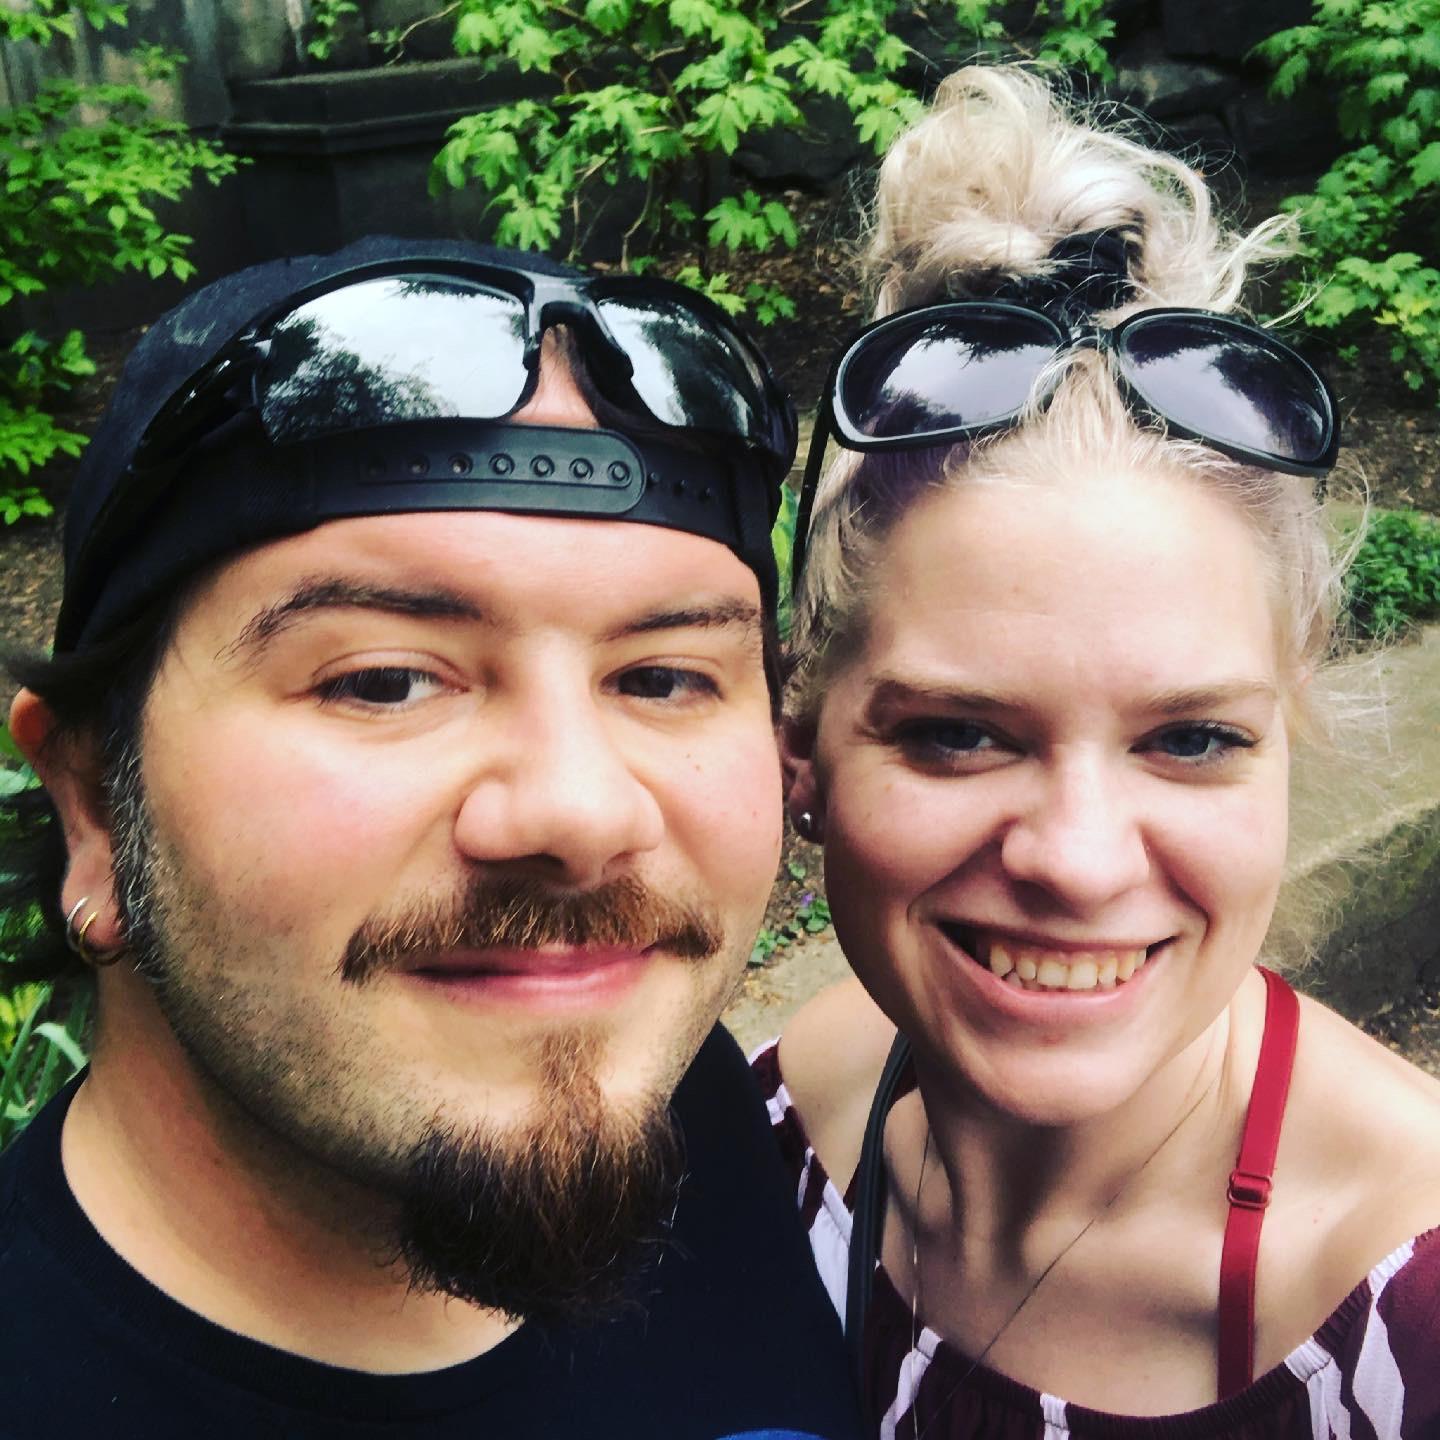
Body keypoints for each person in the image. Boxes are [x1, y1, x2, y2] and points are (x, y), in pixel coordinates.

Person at [0, 236, 864, 1439]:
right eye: (385, 682)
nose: (580, 814)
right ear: (93, 800)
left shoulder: (680, 1107)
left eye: (663, 677)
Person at [754, 66, 1440, 1437]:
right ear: (801, 753)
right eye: (956, 735)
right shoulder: (763, 1139)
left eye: (1192, 738)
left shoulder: (1406, 1319)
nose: (1075, 860)